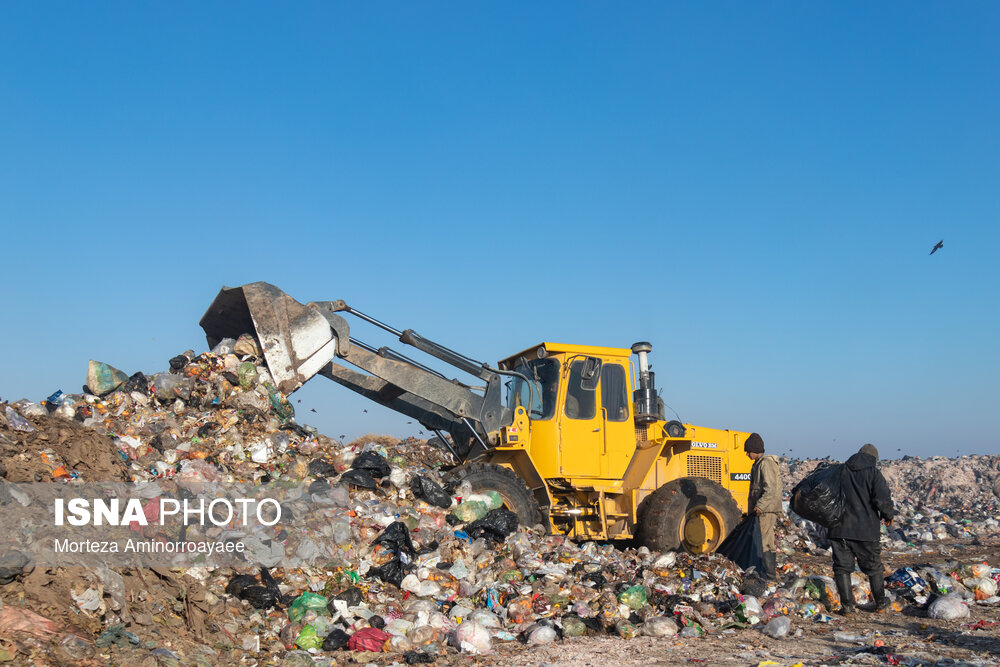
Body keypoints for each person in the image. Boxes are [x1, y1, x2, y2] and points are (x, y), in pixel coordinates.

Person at [829, 443, 895, 615]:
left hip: (839, 528)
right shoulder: (873, 473)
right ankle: (880, 603)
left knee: (842, 567)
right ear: (873, 459)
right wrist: (889, 515)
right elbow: (882, 499)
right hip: (865, 530)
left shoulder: (841, 471)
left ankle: (847, 607)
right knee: (873, 567)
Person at [744, 432, 782, 581]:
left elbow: (771, 489)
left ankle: (769, 577)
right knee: (765, 541)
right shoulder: (758, 464)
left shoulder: (766, 463)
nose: (747, 454)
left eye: (748, 451)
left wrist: (759, 507)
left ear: (755, 450)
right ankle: (767, 574)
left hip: (766, 510)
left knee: (765, 542)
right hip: (763, 509)